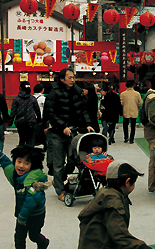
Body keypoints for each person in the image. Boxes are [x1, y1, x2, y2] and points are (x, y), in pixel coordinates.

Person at [76, 161, 154, 249]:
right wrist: (141, 247)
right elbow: (118, 232)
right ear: (127, 182)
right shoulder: (113, 202)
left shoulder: (105, 193)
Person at [0, 145, 50, 249]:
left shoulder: (34, 182)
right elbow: (8, 165)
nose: (21, 166)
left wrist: (22, 217)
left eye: (26, 163)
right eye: (19, 161)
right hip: (22, 214)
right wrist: (0, 156)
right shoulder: (18, 177)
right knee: (19, 236)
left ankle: (43, 242)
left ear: (33, 166)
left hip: (36, 215)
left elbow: (32, 201)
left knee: (33, 235)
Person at [44, 68, 94, 201]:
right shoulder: (54, 93)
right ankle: (60, 190)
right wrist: (62, 127)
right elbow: (50, 113)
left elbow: (83, 110)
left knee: (73, 161)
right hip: (57, 133)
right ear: (62, 79)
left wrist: (87, 124)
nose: (73, 80)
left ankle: (58, 179)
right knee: (58, 164)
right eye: (70, 77)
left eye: (73, 77)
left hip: (73, 133)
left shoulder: (77, 92)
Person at [11, 81, 42, 147]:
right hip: (31, 121)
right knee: (30, 140)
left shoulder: (16, 99)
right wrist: (39, 120)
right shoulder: (32, 98)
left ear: (20, 88)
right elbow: (37, 110)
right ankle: (30, 155)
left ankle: (21, 155)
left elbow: (13, 112)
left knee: (22, 140)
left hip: (20, 122)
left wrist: (10, 122)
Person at [32, 84, 47, 148]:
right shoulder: (43, 98)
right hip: (40, 119)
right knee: (41, 134)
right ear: (42, 90)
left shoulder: (31, 98)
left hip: (32, 118)